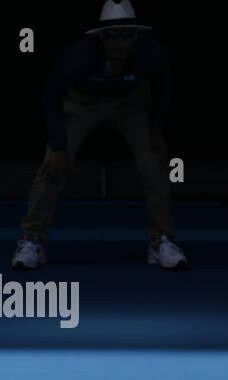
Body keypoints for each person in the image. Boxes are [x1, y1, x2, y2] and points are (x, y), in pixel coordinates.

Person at [13, 0, 187, 270]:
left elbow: (164, 88)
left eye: (127, 34)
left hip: (129, 103)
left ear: (137, 35)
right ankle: (33, 238)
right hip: (81, 104)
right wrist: (59, 146)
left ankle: (161, 240)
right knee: (52, 166)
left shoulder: (152, 53)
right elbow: (51, 98)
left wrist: (156, 130)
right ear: (101, 36)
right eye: (112, 35)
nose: (119, 42)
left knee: (153, 162)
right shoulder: (78, 55)